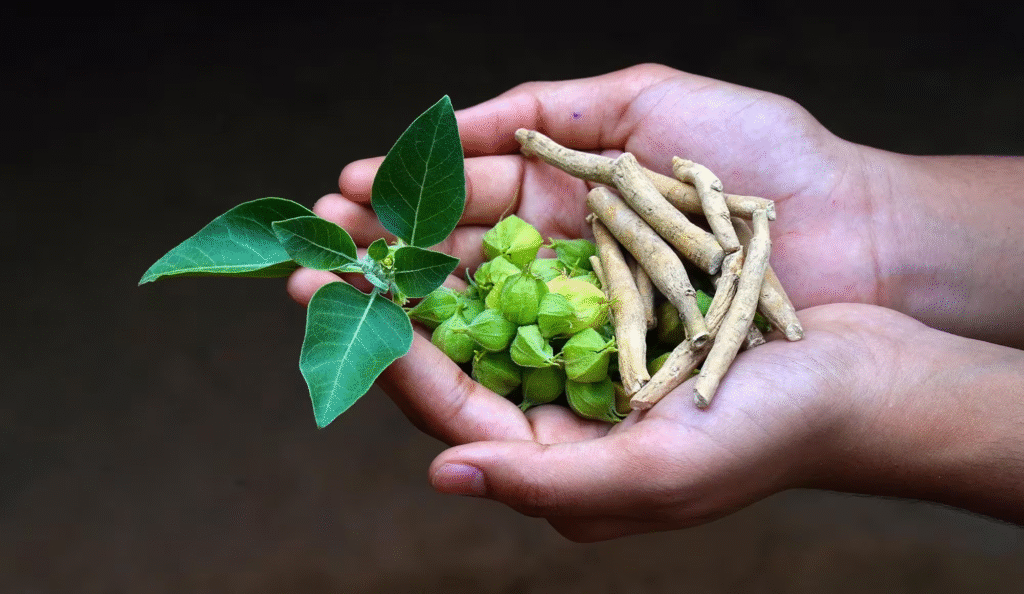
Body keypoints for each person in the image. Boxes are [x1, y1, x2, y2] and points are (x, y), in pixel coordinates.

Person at [287, 63, 1024, 541]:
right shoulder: (579, 280)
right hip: (646, 285)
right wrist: (878, 225)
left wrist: (866, 398)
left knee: (681, 287)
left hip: (672, 276)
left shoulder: (638, 247)